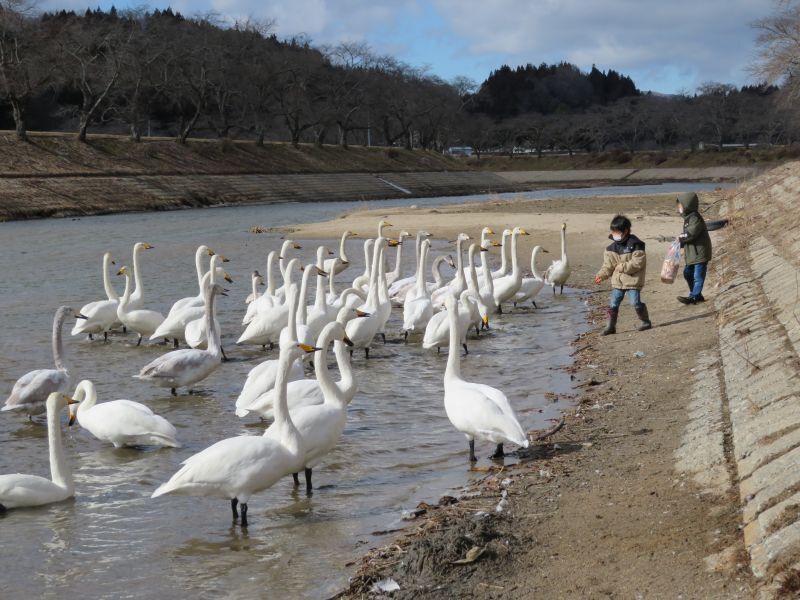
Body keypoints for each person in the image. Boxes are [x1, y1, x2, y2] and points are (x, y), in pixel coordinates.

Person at [594, 215, 651, 335]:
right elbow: (608, 266)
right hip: (617, 282)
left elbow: (638, 263)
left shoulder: (636, 245)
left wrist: (623, 267)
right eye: (613, 231)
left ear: (625, 231)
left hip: (633, 282)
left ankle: (645, 321)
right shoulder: (610, 248)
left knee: (635, 302)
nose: (614, 234)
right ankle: (610, 327)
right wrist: (601, 275)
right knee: (613, 304)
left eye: (616, 231)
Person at [675, 191, 712, 304]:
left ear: (687, 204)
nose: (678, 208)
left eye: (680, 205)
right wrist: (679, 243)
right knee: (687, 273)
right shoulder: (688, 218)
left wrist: (680, 238)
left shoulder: (695, 218)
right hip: (692, 254)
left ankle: (693, 296)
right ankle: (697, 295)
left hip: (700, 253)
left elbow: (692, 233)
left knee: (698, 276)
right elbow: (688, 236)